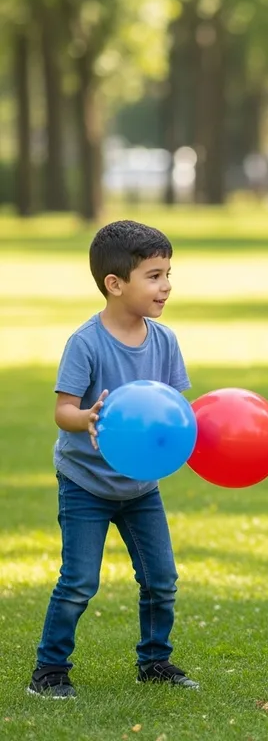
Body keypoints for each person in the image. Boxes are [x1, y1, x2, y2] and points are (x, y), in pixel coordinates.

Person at [28, 220, 198, 699]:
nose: (166, 285)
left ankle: (155, 661)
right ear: (115, 283)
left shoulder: (164, 341)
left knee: (161, 579)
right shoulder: (86, 342)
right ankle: (50, 670)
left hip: (141, 486)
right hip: (86, 482)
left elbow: (173, 411)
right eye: (154, 275)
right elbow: (63, 410)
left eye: (168, 273)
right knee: (79, 581)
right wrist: (87, 418)